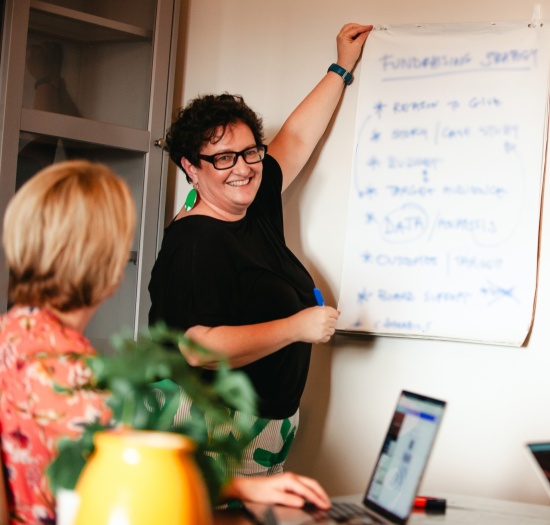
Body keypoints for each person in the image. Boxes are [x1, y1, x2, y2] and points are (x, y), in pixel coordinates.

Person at [0, 160, 329, 525]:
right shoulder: (66, 370)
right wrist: (243, 488)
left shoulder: (14, 332)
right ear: (108, 266)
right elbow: (133, 480)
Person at [148, 22, 372, 477]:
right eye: (223, 158)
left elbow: (297, 138)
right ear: (191, 167)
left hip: (263, 425)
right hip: (209, 427)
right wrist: (295, 327)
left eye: (250, 152)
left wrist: (340, 67)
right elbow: (197, 348)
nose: (243, 168)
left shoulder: (252, 204)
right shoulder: (195, 241)